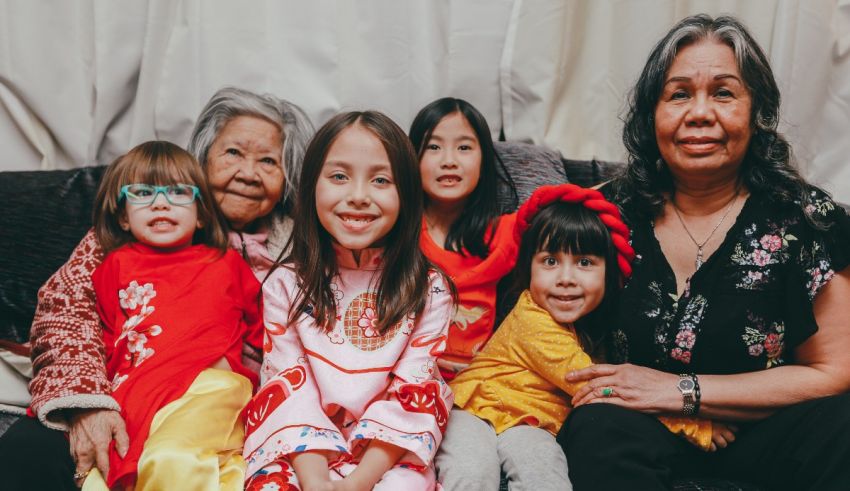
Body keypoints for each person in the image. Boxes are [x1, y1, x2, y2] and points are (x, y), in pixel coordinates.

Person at [558, 14, 850, 490]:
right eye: (678, 94)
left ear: (757, 113)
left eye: (723, 92)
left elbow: (834, 372)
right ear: (651, 115)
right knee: (597, 427)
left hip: (764, 434)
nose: (699, 112)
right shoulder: (603, 213)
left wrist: (682, 392)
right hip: (643, 432)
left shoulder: (806, 220)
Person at [0, 87, 314, 490]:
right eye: (233, 153)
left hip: (226, 406)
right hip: (126, 391)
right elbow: (65, 312)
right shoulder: (133, 230)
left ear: (287, 177)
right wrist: (88, 404)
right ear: (203, 160)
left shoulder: (306, 249)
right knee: (30, 454)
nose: (248, 173)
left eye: (268, 161)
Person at [438, 184, 721, 490]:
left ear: (608, 274)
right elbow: (600, 387)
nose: (566, 279)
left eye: (584, 263)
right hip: (473, 411)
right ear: (528, 268)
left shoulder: (595, 329)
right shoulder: (532, 320)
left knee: (549, 481)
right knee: (472, 474)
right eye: (550, 261)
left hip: (532, 424)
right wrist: (696, 426)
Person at [243, 111, 453, 491]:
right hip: (300, 453)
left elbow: (412, 394)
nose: (358, 197)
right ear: (312, 187)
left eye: (381, 180)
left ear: (406, 194)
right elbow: (291, 388)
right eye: (339, 176)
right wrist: (317, 483)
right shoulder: (286, 285)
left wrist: (357, 483)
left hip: (387, 453)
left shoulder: (429, 289)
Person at [80, 140, 262, 489]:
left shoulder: (226, 262)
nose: (160, 202)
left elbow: (269, 333)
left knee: (170, 458)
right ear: (122, 216)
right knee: (99, 480)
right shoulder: (113, 266)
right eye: (143, 192)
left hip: (210, 388)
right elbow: (101, 336)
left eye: (178, 192)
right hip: (135, 393)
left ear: (202, 214)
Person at [409, 97, 519, 381]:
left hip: (477, 381)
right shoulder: (399, 232)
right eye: (433, 146)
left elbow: (563, 207)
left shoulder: (504, 232)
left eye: (464, 147)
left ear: (484, 159)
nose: (449, 161)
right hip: (409, 376)